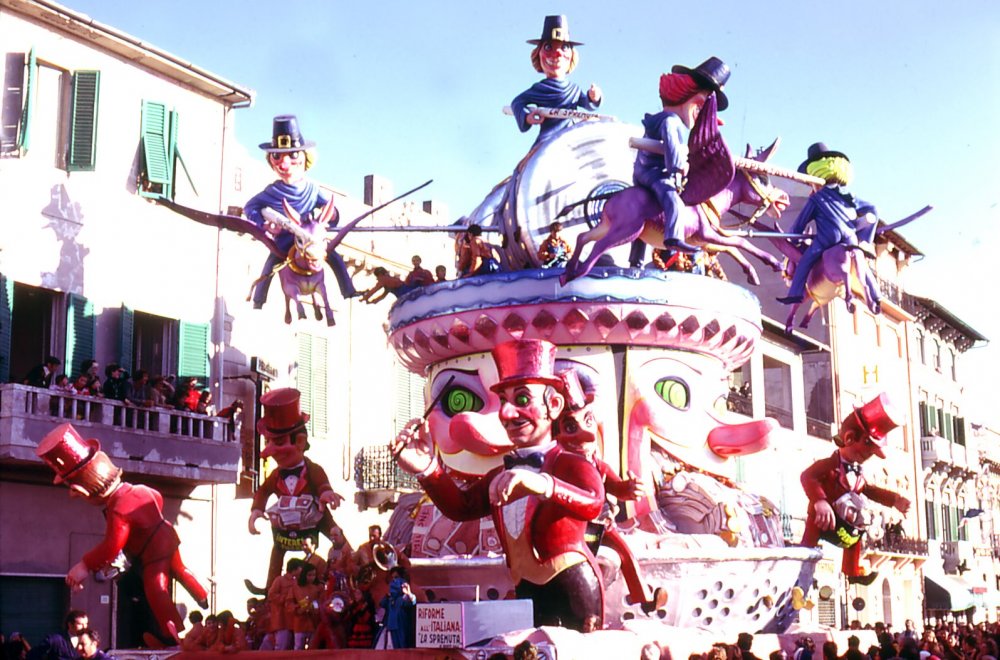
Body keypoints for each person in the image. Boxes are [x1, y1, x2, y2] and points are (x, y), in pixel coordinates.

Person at [393, 338, 606, 631]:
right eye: (503, 401)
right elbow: (461, 507)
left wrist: (544, 485)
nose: (506, 414)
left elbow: (593, 501)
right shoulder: (499, 475)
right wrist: (427, 468)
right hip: (525, 590)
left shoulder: (568, 464)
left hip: (571, 588)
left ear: (553, 405)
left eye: (520, 400)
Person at [36, 424, 209, 645]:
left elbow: (112, 545)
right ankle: (202, 594)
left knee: (156, 588)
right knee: (180, 569)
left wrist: (84, 565)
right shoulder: (138, 489)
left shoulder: (119, 508)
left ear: (85, 491)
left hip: (152, 551)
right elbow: (157, 497)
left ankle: (172, 634)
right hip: (167, 534)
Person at [555, 368, 666, 613]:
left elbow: (616, 486)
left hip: (600, 525)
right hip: (570, 531)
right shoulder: (557, 466)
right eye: (570, 427)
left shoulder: (596, 465)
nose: (585, 433)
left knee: (625, 552)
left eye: (588, 421)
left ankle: (644, 598)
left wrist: (630, 488)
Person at [244, 115, 356, 308]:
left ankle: (348, 290)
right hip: (286, 238)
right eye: (277, 156)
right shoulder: (271, 192)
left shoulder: (312, 190)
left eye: (292, 155)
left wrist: (331, 217)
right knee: (272, 261)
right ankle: (259, 298)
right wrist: (264, 225)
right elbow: (250, 207)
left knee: (333, 255)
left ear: (304, 157)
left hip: (312, 237)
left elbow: (331, 209)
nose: (284, 163)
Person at [800, 393, 910, 584]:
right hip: (824, 517)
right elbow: (808, 476)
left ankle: (852, 572)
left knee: (858, 527)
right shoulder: (829, 465)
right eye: (866, 448)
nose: (868, 455)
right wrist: (820, 501)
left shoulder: (858, 474)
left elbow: (870, 490)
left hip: (846, 521)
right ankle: (803, 562)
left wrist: (894, 500)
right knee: (813, 534)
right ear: (850, 438)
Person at [248, 388, 345, 588]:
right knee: (277, 550)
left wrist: (326, 493)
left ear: (299, 441)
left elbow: (321, 483)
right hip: (286, 522)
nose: (270, 450)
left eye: (279, 442)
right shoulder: (275, 474)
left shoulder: (312, 469)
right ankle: (271, 588)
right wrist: (256, 510)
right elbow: (263, 491)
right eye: (269, 442)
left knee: (336, 535)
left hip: (315, 516)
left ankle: (352, 576)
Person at [633, 57, 731, 254]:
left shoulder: (674, 122)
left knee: (650, 213)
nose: (702, 114)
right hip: (652, 171)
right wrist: (678, 167)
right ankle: (673, 238)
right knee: (673, 199)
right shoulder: (670, 121)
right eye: (702, 107)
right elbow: (671, 145)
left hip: (655, 170)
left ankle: (636, 257)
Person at [776, 143, 878, 306]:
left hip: (829, 237)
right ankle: (876, 294)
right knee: (861, 263)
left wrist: (792, 240)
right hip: (850, 237)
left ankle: (794, 294)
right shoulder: (849, 195)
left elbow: (799, 224)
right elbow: (873, 209)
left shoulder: (817, 198)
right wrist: (865, 239)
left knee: (805, 262)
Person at [510, 15, 602, 144]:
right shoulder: (539, 89)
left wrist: (593, 98)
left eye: (564, 47)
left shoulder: (573, 90)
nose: (557, 53)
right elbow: (517, 102)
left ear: (571, 56)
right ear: (538, 53)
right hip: (547, 140)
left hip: (572, 137)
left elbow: (588, 104)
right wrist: (526, 116)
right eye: (548, 47)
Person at [376, 567, 417, 649]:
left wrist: (408, 593)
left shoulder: (404, 598)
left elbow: (413, 601)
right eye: (393, 578)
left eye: (396, 577)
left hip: (398, 629)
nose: (394, 581)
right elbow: (382, 604)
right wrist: (388, 596)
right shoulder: (390, 598)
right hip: (387, 627)